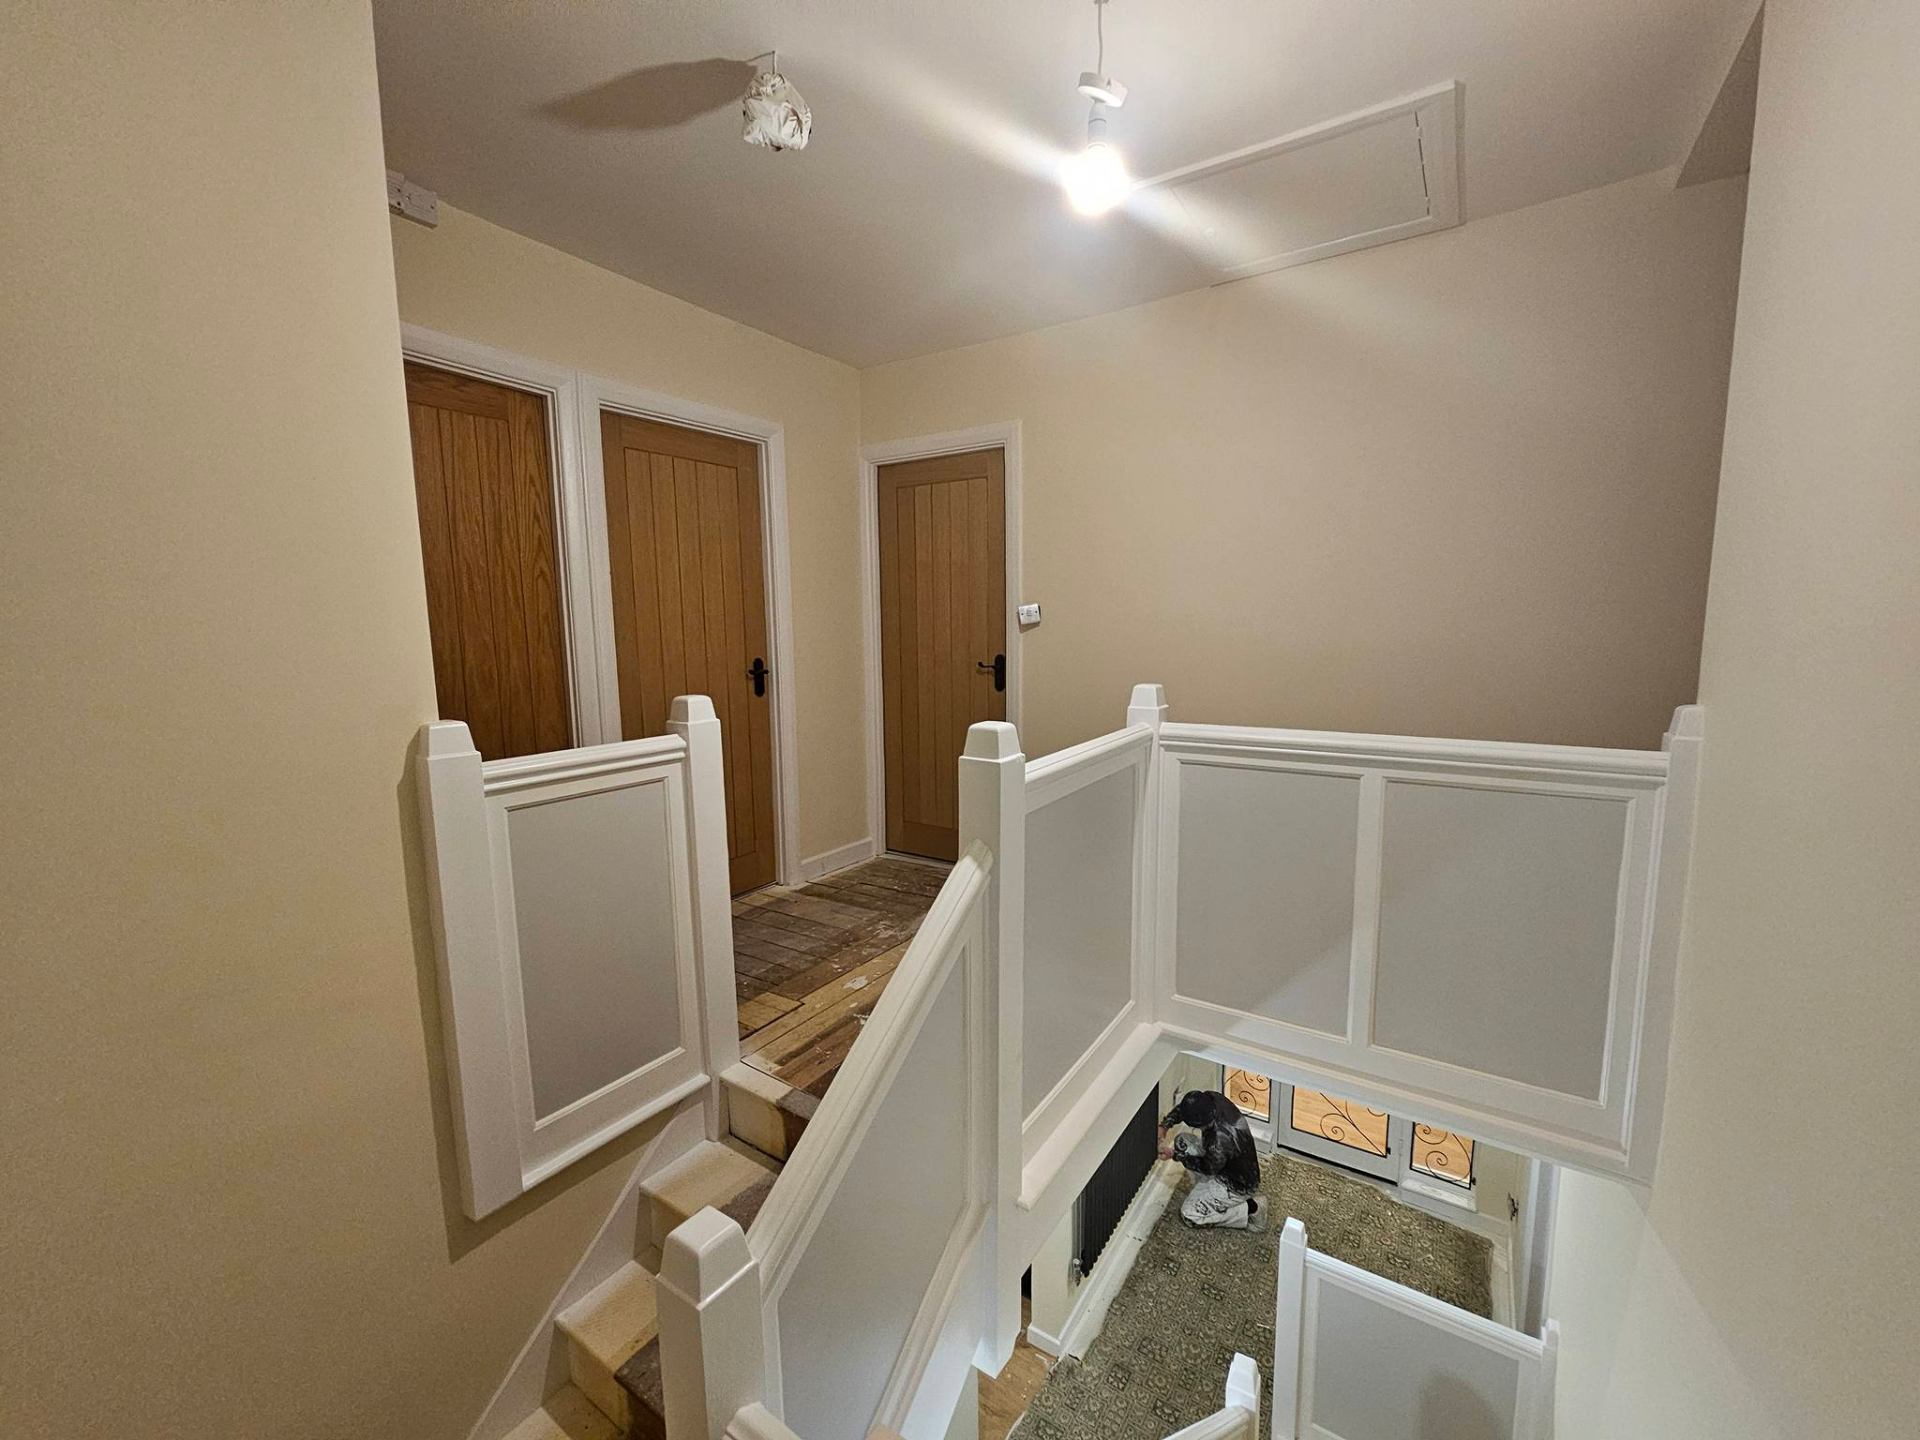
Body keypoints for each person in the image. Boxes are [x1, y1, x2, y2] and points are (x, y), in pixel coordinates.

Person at [1159, 1089, 1267, 1231]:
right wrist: (1165, 1125)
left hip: (1237, 1184)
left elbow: (1208, 1168)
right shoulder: (1212, 1099)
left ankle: (1252, 1208)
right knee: (1182, 1142)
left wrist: (1174, 1155)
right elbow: (1185, 1109)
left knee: (1190, 1215)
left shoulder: (1220, 1139)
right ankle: (1207, 1194)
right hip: (1226, 1163)